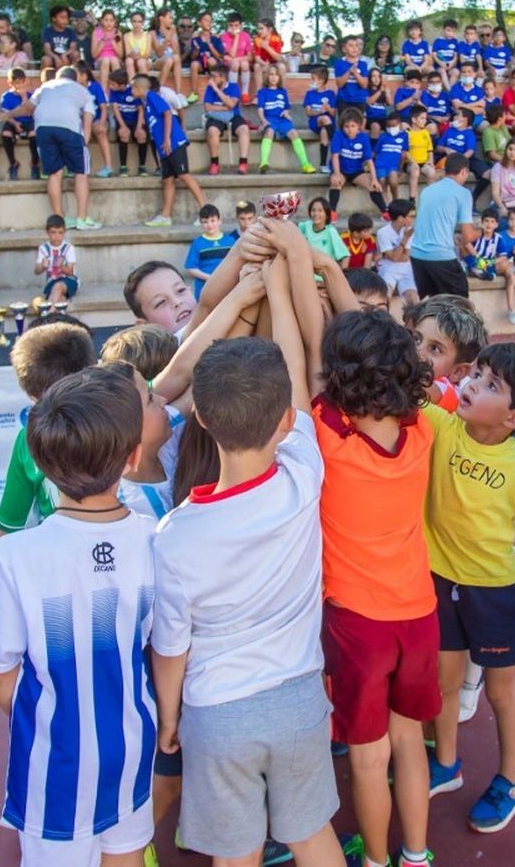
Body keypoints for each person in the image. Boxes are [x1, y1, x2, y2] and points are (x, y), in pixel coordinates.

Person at [151, 291, 348, 865]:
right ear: (286, 419)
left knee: (235, 853)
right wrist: (281, 290)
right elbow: (295, 368)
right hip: (299, 700)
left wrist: (169, 717)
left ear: (200, 418)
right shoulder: (303, 473)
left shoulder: (175, 535)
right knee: (313, 836)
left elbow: (171, 647)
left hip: (217, 714)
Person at [0, 366, 157, 866]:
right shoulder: (156, 538)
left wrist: (50, 719)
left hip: (56, 760)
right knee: (126, 854)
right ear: (133, 457)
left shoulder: (15, 556)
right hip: (134, 744)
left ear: (38, 461)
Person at [302, 306, 441, 867]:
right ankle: (416, 855)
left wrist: (300, 270)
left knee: (367, 757)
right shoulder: (421, 431)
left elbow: (309, 353)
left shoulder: (325, 436)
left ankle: (377, 859)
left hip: (357, 625)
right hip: (419, 615)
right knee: (409, 742)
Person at [423, 342, 515, 833]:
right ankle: (446, 763)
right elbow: (409, 386)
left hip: (494, 593)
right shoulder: (442, 427)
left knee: (501, 693)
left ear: (514, 418)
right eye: (476, 374)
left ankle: (510, 781)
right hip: (440, 581)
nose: (471, 384)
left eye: (490, 384)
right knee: (444, 682)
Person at [0, 320, 98, 534]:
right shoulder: (120, 415)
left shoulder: (27, 437)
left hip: (58, 547)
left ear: (31, 394)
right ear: (94, 368)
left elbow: (9, 527)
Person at [30, 65, 98, 227]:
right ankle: (82, 218)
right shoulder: (82, 91)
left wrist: (9, 114)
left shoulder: (45, 87)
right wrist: (84, 141)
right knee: (81, 173)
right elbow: (88, 118)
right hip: (70, 129)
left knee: (54, 173)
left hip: (43, 129)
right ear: (75, 78)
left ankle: (59, 219)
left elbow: (28, 107)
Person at [136, 74, 206, 228]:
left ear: (140, 88)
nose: (131, 90)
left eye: (134, 87)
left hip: (173, 142)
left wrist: (167, 138)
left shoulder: (152, 96)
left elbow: (168, 113)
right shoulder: (146, 104)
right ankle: (165, 216)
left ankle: (205, 212)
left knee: (184, 175)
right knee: (168, 179)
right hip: (164, 147)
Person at [409, 156, 477, 299]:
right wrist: (483, 231)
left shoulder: (428, 190)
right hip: (441, 258)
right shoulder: (463, 193)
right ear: (464, 171)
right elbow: (468, 237)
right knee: (461, 304)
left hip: (416, 257)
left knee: (429, 305)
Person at [256, 64, 315, 174]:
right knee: (269, 132)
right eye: (271, 74)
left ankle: (305, 164)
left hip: (282, 119)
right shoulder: (263, 92)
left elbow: (287, 107)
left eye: (276, 75)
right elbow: (260, 109)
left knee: (294, 133)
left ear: (280, 77)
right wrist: (263, 121)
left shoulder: (282, 91)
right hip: (269, 119)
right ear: (267, 76)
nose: (273, 77)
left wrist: (286, 112)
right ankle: (263, 162)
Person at [203, 64, 252, 175]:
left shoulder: (234, 87)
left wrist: (217, 90)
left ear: (223, 77)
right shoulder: (209, 88)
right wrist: (224, 108)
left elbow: (232, 104)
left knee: (244, 129)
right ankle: (214, 163)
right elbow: (207, 107)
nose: (211, 80)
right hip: (216, 117)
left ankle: (243, 163)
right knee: (212, 131)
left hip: (233, 116)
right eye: (211, 76)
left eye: (214, 77)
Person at [377, 199, 419, 310]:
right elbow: (395, 258)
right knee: (385, 298)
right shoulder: (383, 232)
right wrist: (405, 238)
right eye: (410, 216)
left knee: (414, 299)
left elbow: (405, 257)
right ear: (400, 218)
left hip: (405, 269)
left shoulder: (409, 230)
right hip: (388, 269)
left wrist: (389, 255)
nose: (413, 219)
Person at [184, 204, 234, 297]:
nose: (210, 225)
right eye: (205, 222)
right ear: (201, 223)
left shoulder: (230, 241)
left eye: (213, 221)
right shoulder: (197, 243)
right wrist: (210, 278)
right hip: (204, 287)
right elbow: (191, 268)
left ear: (220, 220)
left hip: (226, 286)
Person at [35, 214, 79, 307]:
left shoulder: (69, 248)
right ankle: (55, 313)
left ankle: (48, 313)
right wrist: (42, 266)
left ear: (64, 232)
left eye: (60, 233)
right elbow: (36, 271)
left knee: (58, 287)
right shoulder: (43, 248)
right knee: (60, 299)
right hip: (51, 282)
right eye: (53, 232)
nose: (57, 236)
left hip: (69, 281)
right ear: (47, 232)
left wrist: (62, 266)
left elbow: (71, 272)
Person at [300, 196, 348, 262]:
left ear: (327, 214)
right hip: (306, 266)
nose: (316, 213)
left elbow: (345, 256)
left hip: (324, 267)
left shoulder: (331, 231)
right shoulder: (305, 226)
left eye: (320, 210)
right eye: (313, 210)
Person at [40, 5, 82, 69]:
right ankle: (46, 75)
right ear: (53, 18)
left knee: (76, 54)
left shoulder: (70, 31)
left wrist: (64, 55)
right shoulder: (47, 31)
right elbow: (47, 50)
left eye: (67, 18)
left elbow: (73, 48)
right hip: (53, 58)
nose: (65, 20)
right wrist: (56, 57)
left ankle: (76, 75)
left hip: (67, 57)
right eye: (62, 18)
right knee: (45, 60)